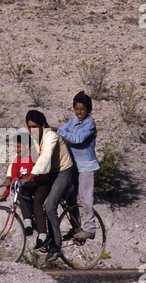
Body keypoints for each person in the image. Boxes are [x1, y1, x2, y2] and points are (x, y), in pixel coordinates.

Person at [5, 110, 73, 262]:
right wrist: (10, 175)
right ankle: (42, 233)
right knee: (28, 195)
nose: (31, 131)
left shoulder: (51, 136)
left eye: (34, 127)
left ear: (43, 125)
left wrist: (30, 176)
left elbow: (45, 157)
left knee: (49, 206)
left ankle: (56, 247)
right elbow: (19, 158)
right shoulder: (33, 138)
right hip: (46, 173)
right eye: (29, 127)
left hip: (62, 172)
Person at [51, 91, 99, 240]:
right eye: (77, 108)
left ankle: (90, 229)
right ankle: (76, 227)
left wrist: (58, 130)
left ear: (88, 110)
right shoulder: (73, 120)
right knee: (70, 197)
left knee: (85, 197)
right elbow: (64, 129)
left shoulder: (89, 124)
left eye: (82, 109)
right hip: (73, 166)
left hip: (86, 167)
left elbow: (77, 139)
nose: (79, 112)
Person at [0, 132, 51, 251]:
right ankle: (28, 222)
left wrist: (28, 179)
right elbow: (15, 181)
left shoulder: (36, 156)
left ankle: (43, 236)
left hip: (41, 184)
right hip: (28, 185)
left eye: (18, 147)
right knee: (20, 192)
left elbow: (42, 170)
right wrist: (5, 194)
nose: (16, 150)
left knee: (37, 204)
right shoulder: (17, 160)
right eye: (15, 147)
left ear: (27, 146)